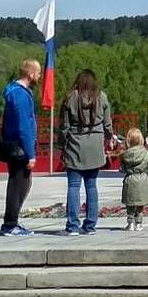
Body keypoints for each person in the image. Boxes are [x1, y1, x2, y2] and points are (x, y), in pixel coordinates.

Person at [59, 69, 114, 235]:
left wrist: (62, 146)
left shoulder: (70, 98)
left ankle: (73, 226)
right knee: (92, 186)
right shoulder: (101, 96)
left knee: (73, 186)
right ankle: (90, 225)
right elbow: (108, 124)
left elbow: (64, 127)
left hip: (75, 144)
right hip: (95, 145)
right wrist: (109, 138)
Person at [0, 59, 41, 236]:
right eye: (38, 73)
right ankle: (10, 223)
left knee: (21, 183)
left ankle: (11, 221)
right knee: (18, 184)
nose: (39, 76)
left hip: (14, 144)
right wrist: (31, 153)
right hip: (19, 147)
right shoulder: (21, 95)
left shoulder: (16, 92)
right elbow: (24, 125)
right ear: (30, 73)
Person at [120, 127, 148, 231]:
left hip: (130, 179)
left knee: (130, 203)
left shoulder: (125, 155)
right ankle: (139, 223)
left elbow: (122, 169)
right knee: (140, 203)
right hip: (142, 179)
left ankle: (130, 223)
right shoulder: (145, 153)